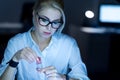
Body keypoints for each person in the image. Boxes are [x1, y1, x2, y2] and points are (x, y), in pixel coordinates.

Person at [0, 0, 90, 80]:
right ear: (34, 14)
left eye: (55, 22)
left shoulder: (69, 45)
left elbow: (82, 78)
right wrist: (15, 59)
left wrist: (63, 78)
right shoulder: (16, 43)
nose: (49, 28)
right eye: (44, 20)